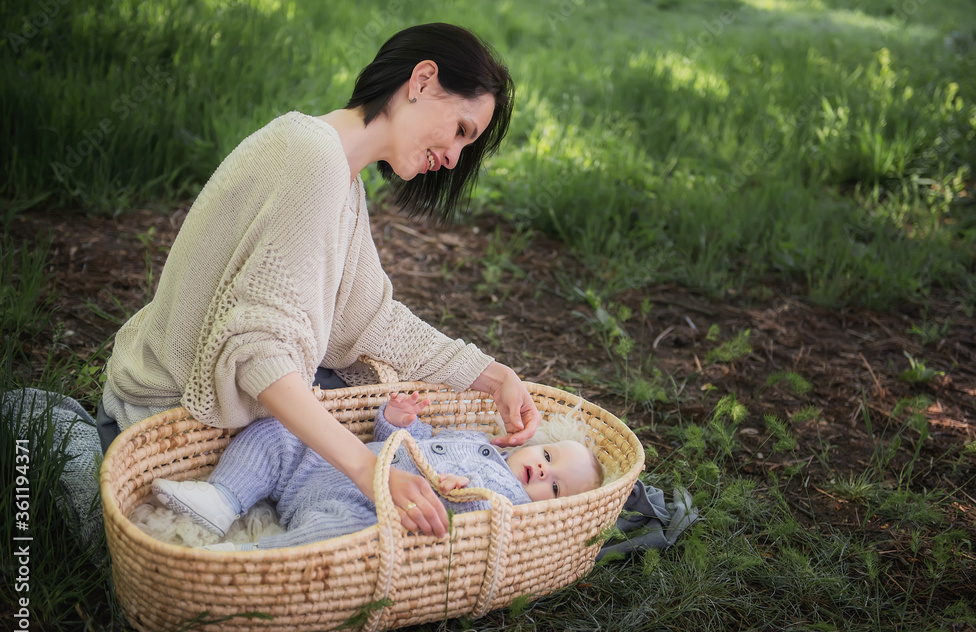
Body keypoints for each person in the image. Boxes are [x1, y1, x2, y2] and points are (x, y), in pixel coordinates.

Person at [97, 23, 538, 539]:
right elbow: (258, 353)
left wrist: (492, 375)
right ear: (421, 81)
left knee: (380, 406)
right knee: (367, 455)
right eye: (462, 130)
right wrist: (370, 471)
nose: (454, 158)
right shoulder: (313, 158)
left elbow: (372, 321)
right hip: (167, 424)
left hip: (196, 412)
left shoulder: (339, 177)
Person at [150, 391, 604, 550]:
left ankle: (256, 557)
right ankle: (222, 498)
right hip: (334, 462)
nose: (543, 474)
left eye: (557, 487)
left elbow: (460, 533)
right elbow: (416, 442)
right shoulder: (477, 439)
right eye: (547, 459)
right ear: (534, 447)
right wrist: (398, 419)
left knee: (340, 540)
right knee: (278, 433)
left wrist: (453, 497)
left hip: (362, 508)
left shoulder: (507, 507)